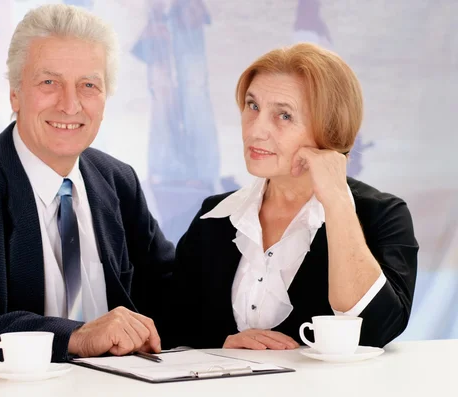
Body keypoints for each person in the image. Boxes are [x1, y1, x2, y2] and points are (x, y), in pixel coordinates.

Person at [0, 4, 175, 363]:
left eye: (88, 85)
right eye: (49, 82)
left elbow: (173, 293)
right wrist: (72, 337)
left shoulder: (118, 182)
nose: (70, 105)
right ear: (15, 93)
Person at [164, 42, 418, 351]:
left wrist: (337, 201)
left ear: (330, 128)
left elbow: (378, 330)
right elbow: (172, 326)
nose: (256, 130)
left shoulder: (382, 215)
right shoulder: (214, 216)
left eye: (283, 115)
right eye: (252, 106)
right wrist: (222, 344)